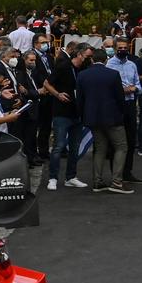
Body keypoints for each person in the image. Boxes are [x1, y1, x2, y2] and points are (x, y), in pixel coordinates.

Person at [78, 49, 133, 193]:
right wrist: (121, 113)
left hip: (92, 118)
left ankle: (97, 181)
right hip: (112, 117)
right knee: (121, 147)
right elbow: (120, 97)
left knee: (100, 149)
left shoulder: (83, 75)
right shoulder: (113, 74)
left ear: (91, 60)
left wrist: (84, 116)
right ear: (106, 60)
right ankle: (117, 182)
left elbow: (80, 99)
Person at [46, 43, 89, 190]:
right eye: (87, 56)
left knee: (75, 147)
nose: (89, 59)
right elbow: (47, 83)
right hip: (62, 113)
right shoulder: (63, 66)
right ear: (79, 54)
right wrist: (57, 94)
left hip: (77, 113)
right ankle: (52, 178)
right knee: (58, 146)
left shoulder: (84, 69)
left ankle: (71, 177)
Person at [107, 37, 142, 184]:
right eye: (120, 48)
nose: (123, 50)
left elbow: (138, 85)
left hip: (130, 105)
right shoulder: (109, 65)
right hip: (116, 105)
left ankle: (127, 172)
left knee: (130, 138)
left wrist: (134, 88)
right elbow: (108, 87)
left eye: (125, 47)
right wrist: (122, 90)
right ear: (115, 49)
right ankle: (116, 174)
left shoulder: (132, 65)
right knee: (115, 141)